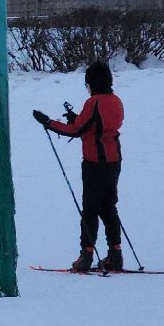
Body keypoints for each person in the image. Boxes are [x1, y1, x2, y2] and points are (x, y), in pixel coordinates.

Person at [33, 61, 125, 273]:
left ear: (92, 83)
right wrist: (79, 119)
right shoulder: (115, 100)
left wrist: (48, 122)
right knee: (109, 207)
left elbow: (75, 130)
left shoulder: (94, 103)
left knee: (90, 210)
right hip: (114, 161)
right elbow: (100, 125)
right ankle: (115, 254)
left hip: (94, 163)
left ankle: (86, 256)